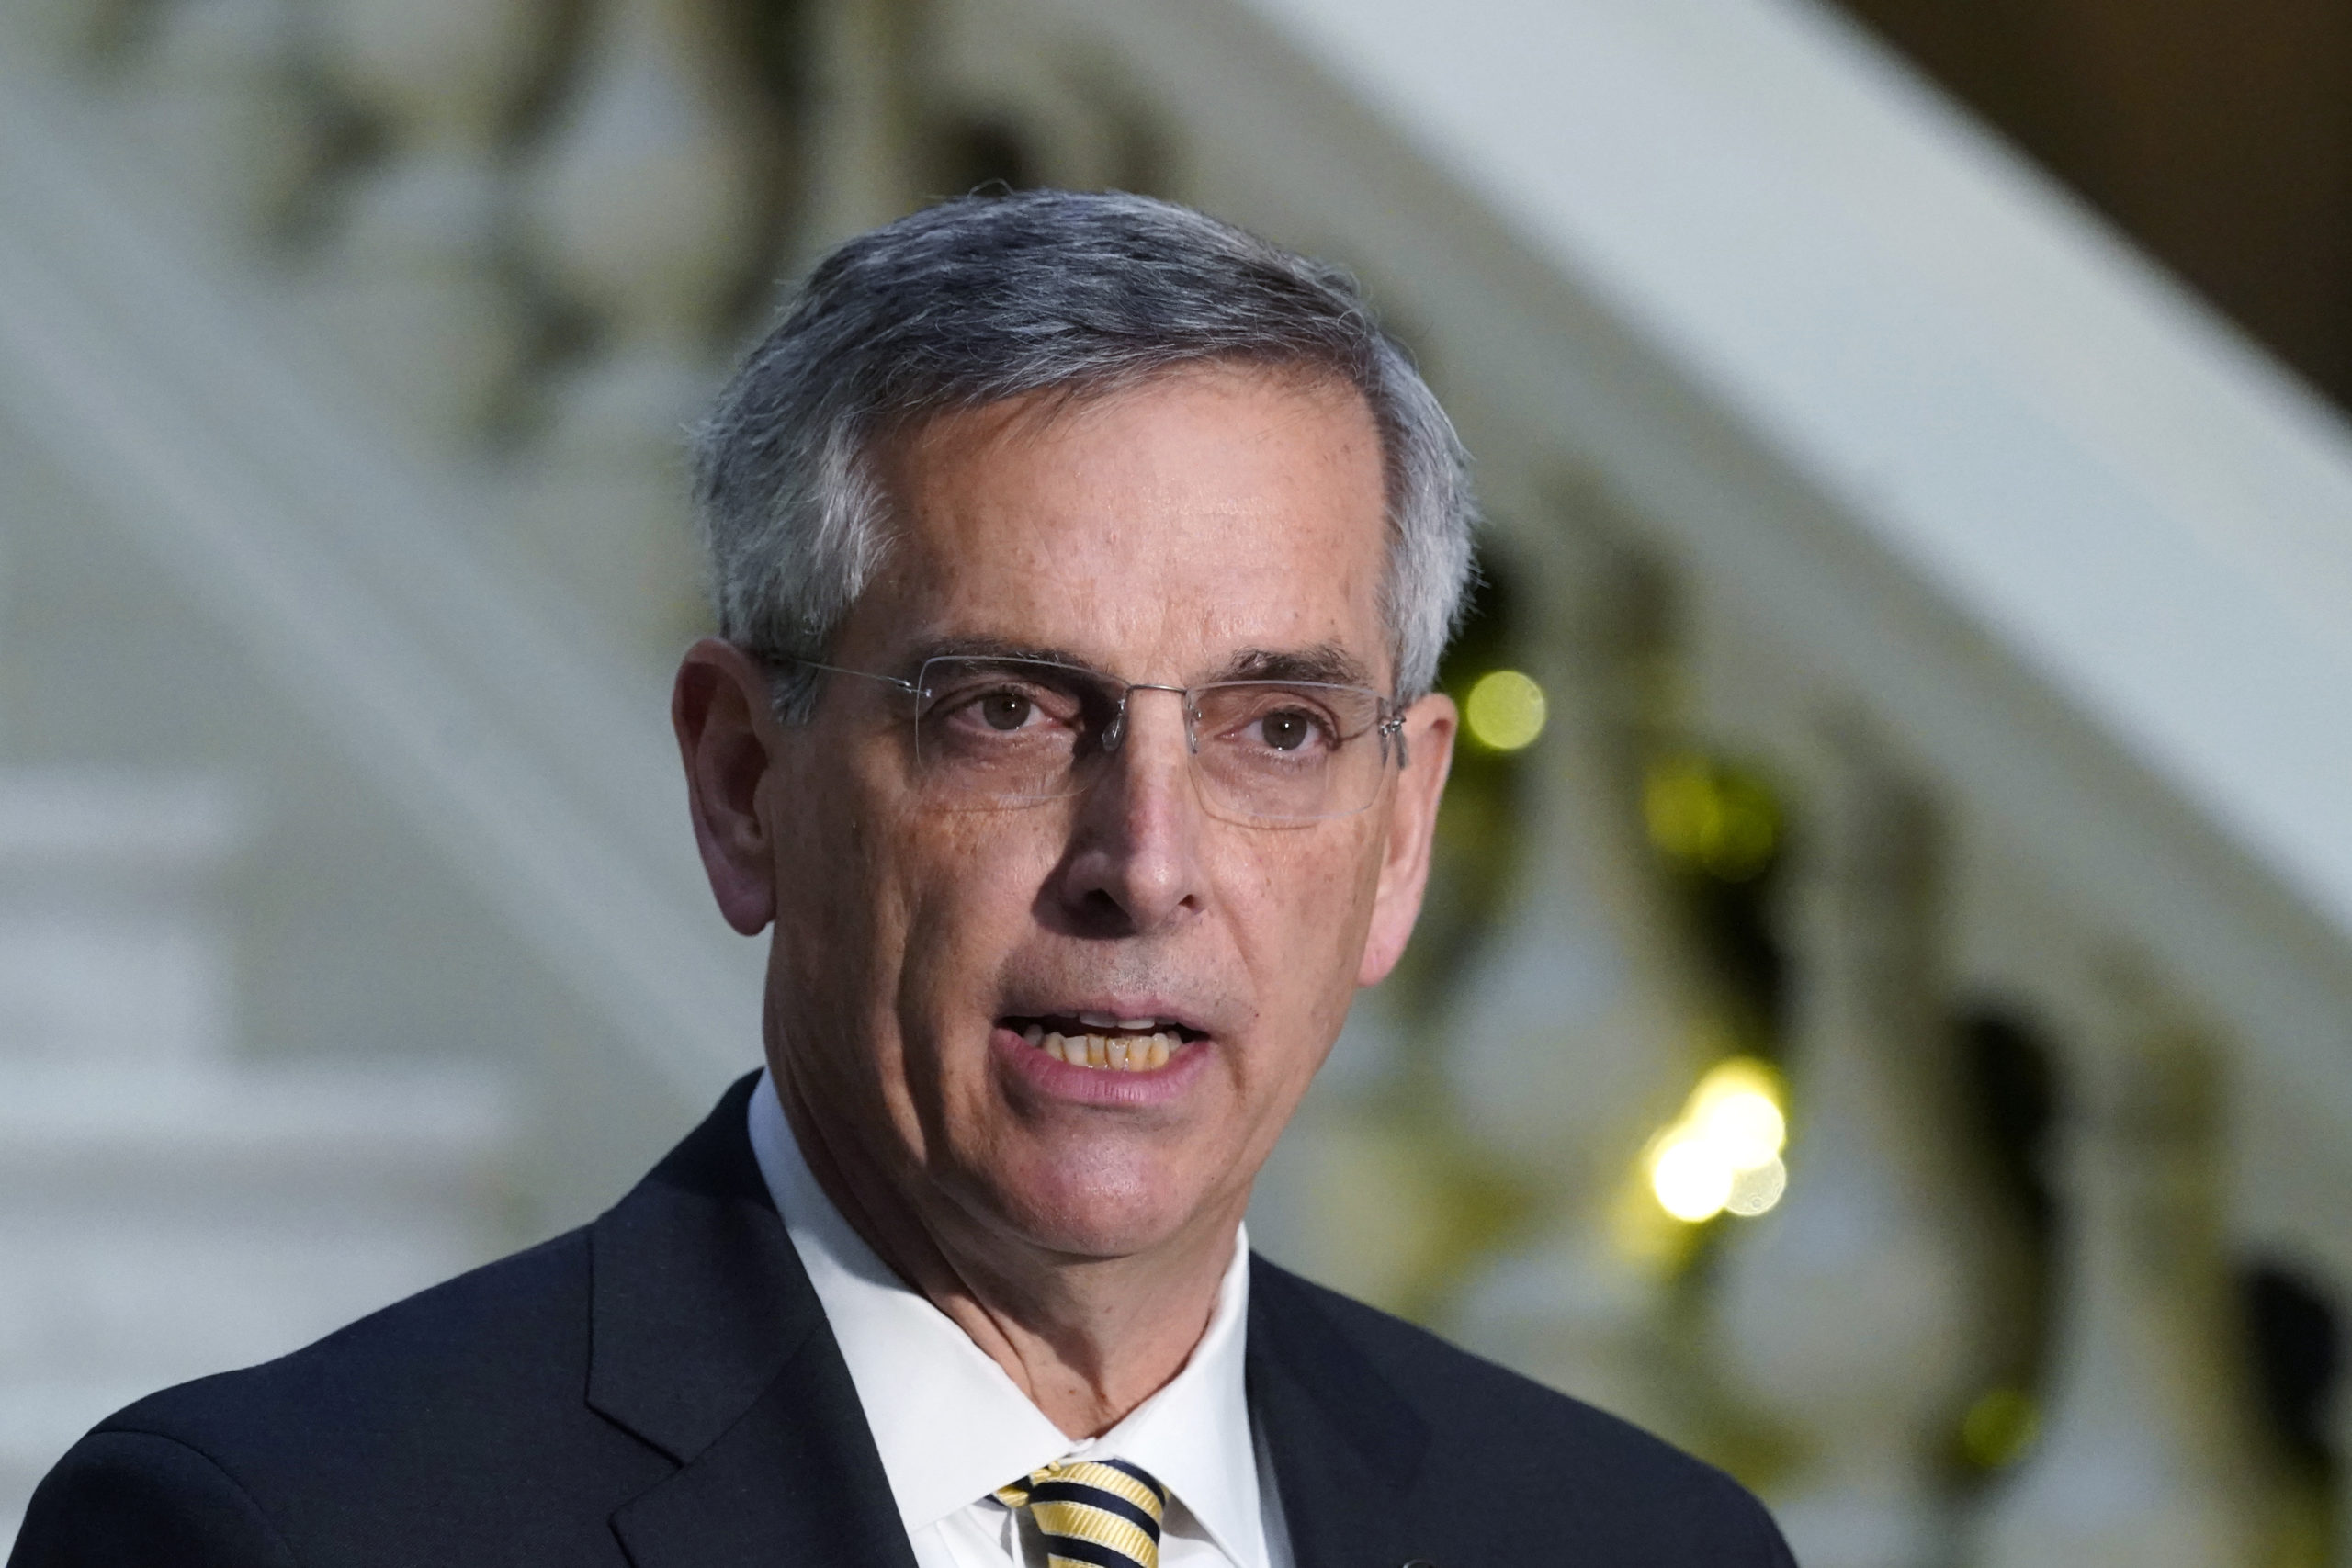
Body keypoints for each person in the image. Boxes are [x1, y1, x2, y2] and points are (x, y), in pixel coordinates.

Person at [12, 191, 1792, 1568]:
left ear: (1398, 835)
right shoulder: (290, 1534)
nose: (1144, 865)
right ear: (741, 781)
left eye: (1273, 726)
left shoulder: (1637, 1546)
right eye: (1006, 710)